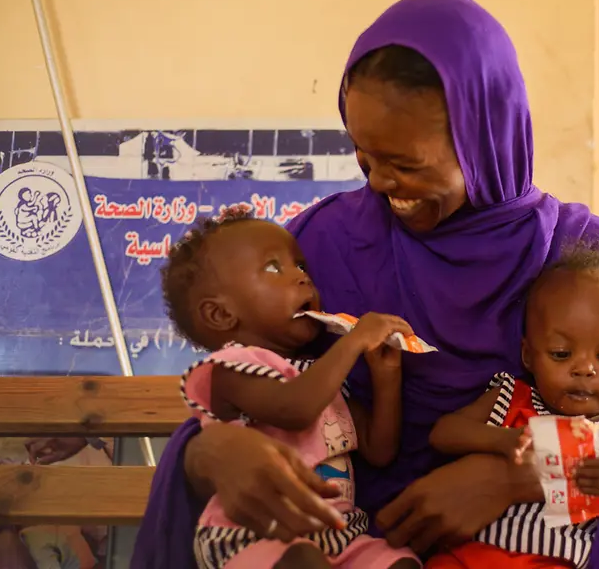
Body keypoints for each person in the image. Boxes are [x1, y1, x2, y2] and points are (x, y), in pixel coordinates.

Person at [132, 0, 599, 569]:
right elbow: (249, 387)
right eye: (363, 155)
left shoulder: (588, 261)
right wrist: (204, 455)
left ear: (486, 138)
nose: (377, 183)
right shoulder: (326, 243)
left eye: (405, 164)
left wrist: (528, 475)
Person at [161, 210, 420, 568]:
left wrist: (386, 376)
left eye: (301, 266)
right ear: (221, 315)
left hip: (339, 534)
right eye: (273, 268)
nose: (302, 278)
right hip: (257, 535)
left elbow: (378, 450)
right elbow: (293, 410)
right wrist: (354, 342)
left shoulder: (319, 375)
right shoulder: (230, 367)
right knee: (301, 562)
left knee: (399, 563)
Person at [426, 243, 599, 568]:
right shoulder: (511, 397)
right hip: (469, 558)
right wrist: (502, 440)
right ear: (528, 355)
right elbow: (443, 433)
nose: (584, 369)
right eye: (561, 353)